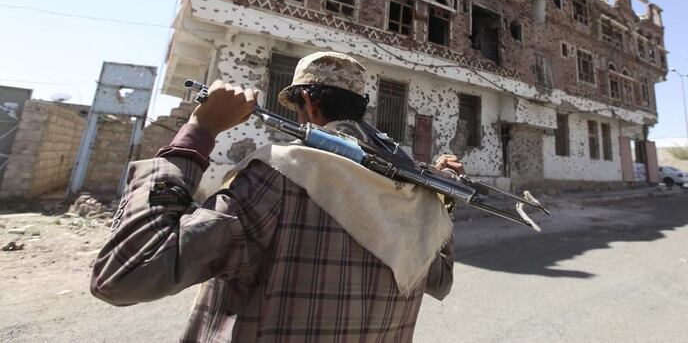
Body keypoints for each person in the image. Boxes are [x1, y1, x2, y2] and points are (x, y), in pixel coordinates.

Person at [91, 51, 462, 342]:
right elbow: (439, 280)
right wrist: (439, 198)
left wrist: (198, 132)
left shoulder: (280, 177)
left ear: (310, 105)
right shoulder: (412, 187)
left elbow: (127, 274)